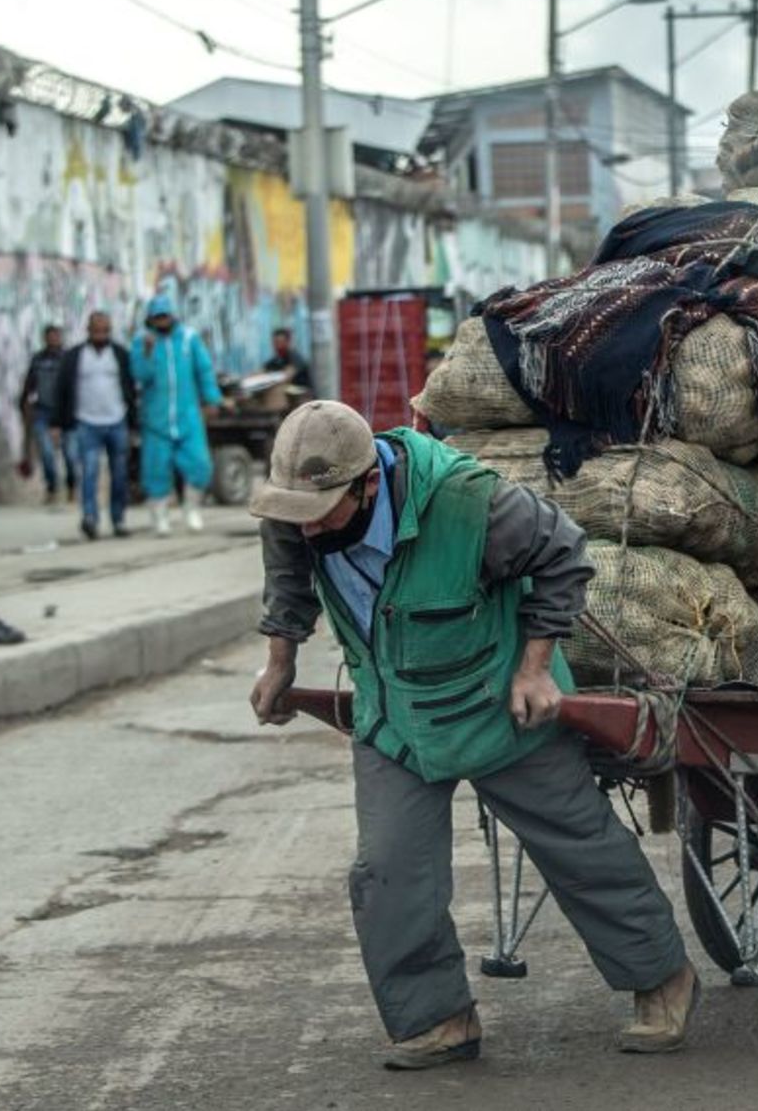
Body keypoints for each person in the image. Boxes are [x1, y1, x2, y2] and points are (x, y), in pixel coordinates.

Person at [249, 401, 699, 1067]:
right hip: (395, 713)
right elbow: (289, 579)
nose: (306, 528)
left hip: (497, 701)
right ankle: (439, 1018)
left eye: (321, 514)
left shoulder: (470, 503)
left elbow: (564, 558)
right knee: (388, 869)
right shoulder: (299, 511)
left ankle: (663, 978)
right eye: (296, 514)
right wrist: (280, 663)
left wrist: (537, 669)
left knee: (578, 844)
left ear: (368, 483)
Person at [130, 293, 221, 536]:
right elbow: (139, 375)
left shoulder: (189, 339)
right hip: (156, 420)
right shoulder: (142, 341)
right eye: (157, 317)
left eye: (165, 316)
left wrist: (211, 398)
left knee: (199, 464)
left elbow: (203, 370)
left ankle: (192, 509)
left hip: (187, 416)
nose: (161, 321)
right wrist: (147, 354)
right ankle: (159, 517)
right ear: (150, 318)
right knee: (156, 469)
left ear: (172, 316)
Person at [56, 311, 138, 540]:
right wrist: (59, 423)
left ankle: (118, 518)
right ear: (88, 331)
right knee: (89, 472)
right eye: (97, 330)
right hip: (87, 423)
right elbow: (62, 390)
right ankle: (90, 518)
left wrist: (133, 422)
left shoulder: (120, 355)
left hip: (116, 421)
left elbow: (130, 388)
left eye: (105, 330)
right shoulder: (75, 357)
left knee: (120, 474)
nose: (101, 335)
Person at [19, 324, 77, 505]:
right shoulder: (38, 360)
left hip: (67, 413)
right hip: (43, 412)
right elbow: (29, 386)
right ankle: (52, 487)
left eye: (56, 335)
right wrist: (24, 407)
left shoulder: (69, 359)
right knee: (46, 453)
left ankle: (72, 487)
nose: (53, 339)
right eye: (50, 336)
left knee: (71, 454)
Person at [263, 327, 315, 396]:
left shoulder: (296, 358)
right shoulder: (275, 361)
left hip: (303, 398)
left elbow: (287, 375)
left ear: (288, 342)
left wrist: (272, 378)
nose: (278, 346)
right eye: (275, 342)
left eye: (281, 342)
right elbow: (263, 371)